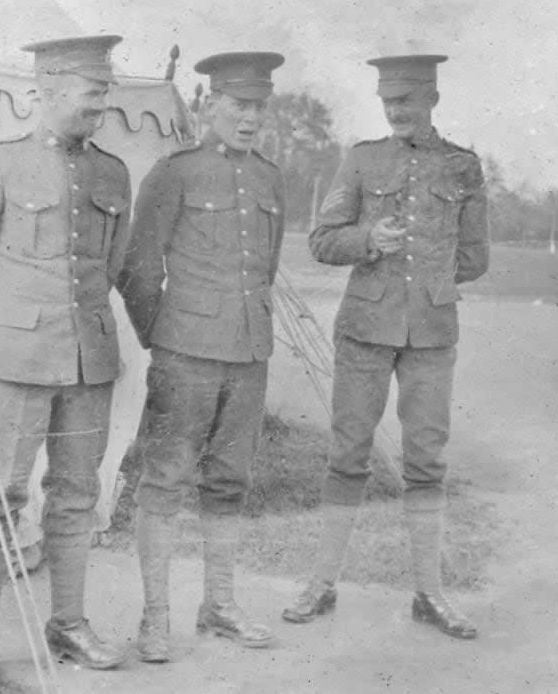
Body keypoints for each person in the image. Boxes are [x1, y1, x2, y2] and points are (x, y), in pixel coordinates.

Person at [0, 35, 131, 680]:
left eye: (104, 90)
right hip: (13, 359)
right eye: (91, 90)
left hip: (89, 361)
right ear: (46, 92)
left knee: (76, 495)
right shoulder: (0, 163)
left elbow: (114, 263)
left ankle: (68, 624)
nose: (101, 101)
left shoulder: (112, 172)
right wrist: (2, 328)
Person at [282, 54, 489, 639]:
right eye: (388, 101)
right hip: (365, 332)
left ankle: (430, 594)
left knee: (426, 461)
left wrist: (431, 275)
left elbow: (476, 256)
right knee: (347, 455)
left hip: (430, 335)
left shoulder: (463, 167)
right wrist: (369, 240)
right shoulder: (363, 159)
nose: (396, 110)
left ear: (432, 101)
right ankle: (320, 585)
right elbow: (321, 241)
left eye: (408, 100)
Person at [118, 51, 287, 663]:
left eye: (257, 107)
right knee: (164, 481)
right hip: (184, 353)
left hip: (248, 353)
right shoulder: (175, 173)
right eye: (237, 105)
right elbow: (138, 267)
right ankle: (155, 615)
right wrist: (162, 336)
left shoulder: (269, 178)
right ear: (208, 104)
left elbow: (263, 269)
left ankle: (218, 603)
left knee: (230, 481)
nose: (248, 118)